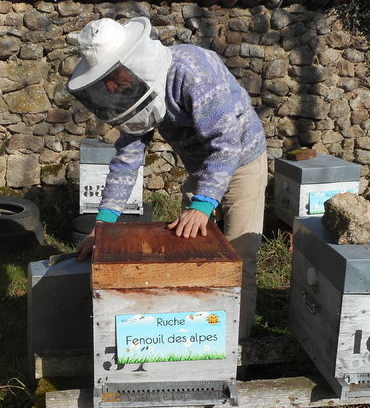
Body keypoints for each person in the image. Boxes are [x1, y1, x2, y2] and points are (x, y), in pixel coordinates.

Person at [67, 17, 268, 340]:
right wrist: (103, 224)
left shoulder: (193, 73)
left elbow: (226, 144)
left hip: (243, 159)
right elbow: (127, 159)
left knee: (237, 256)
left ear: (133, 62)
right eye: (105, 82)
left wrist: (202, 205)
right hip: (201, 167)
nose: (112, 88)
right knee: (193, 253)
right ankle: (196, 334)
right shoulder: (136, 89)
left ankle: (234, 344)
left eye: (113, 77)